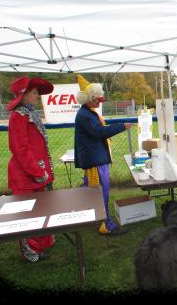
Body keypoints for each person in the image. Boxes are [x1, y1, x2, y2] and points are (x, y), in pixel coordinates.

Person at [74, 74, 134, 235]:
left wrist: (119, 125)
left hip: (96, 159)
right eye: (96, 99)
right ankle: (105, 226)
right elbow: (99, 132)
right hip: (95, 161)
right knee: (101, 193)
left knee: (93, 192)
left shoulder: (89, 113)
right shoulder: (85, 115)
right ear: (88, 99)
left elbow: (102, 127)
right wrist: (122, 126)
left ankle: (94, 219)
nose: (99, 102)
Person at [7, 76, 55, 263]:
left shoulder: (29, 114)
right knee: (26, 216)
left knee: (41, 210)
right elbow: (21, 149)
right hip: (25, 177)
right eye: (34, 93)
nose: (37, 97)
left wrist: (43, 173)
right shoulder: (17, 117)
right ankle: (30, 251)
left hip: (37, 175)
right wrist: (38, 172)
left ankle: (43, 242)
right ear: (24, 95)